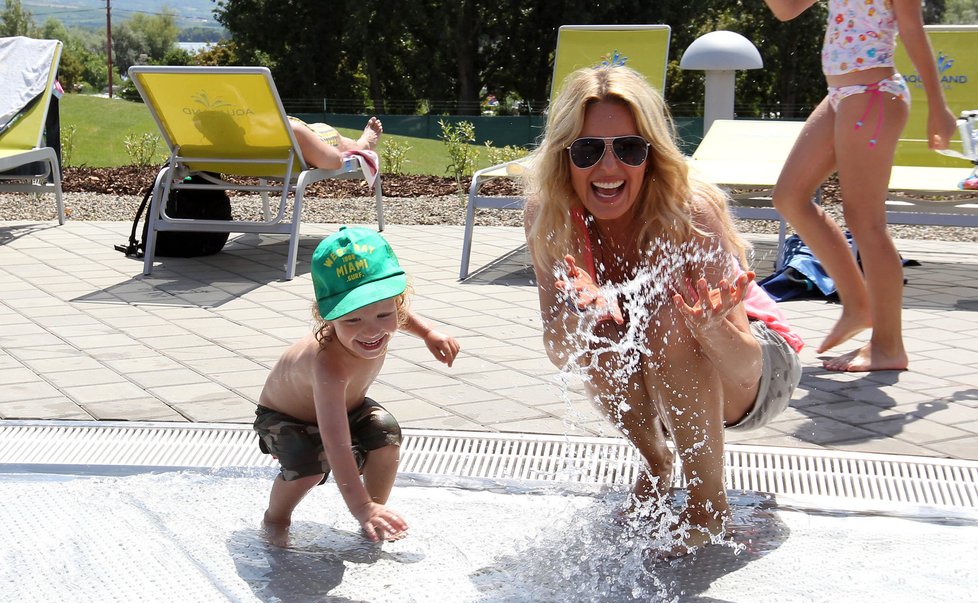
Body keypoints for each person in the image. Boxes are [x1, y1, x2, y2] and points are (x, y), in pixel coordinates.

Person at [523, 65, 803, 555]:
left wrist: (712, 328)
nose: (609, 169)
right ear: (563, 159)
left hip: (756, 370)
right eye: (588, 151)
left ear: (651, 156)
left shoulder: (686, 212)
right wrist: (578, 311)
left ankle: (707, 506)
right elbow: (557, 349)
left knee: (669, 315)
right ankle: (657, 464)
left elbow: (746, 368)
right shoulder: (548, 215)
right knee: (602, 327)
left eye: (628, 149)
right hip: (667, 364)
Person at [764, 0, 957, 372]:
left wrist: (938, 106)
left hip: (873, 93)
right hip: (842, 95)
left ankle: (888, 346)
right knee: (789, 197)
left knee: (866, 223)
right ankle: (856, 304)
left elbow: (913, 31)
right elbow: (786, 9)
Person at [255, 227, 460, 544]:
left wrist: (429, 333)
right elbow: (335, 443)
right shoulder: (328, 364)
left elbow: (401, 316)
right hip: (283, 418)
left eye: (383, 314)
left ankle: (376, 517)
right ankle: (276, 517)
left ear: (396, 304)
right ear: (327, 318)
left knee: (386, 434)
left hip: (345, 407)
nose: (372, 331)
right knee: (310, 469)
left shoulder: (384, 316)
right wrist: (358, 504)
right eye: (352, 321)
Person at [288, 116, 383, 170]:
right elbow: (334, 162)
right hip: (300, 132)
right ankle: (362, 146)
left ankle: (361, 145)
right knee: (331, 136)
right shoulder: (293, 130)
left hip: (276, 158)